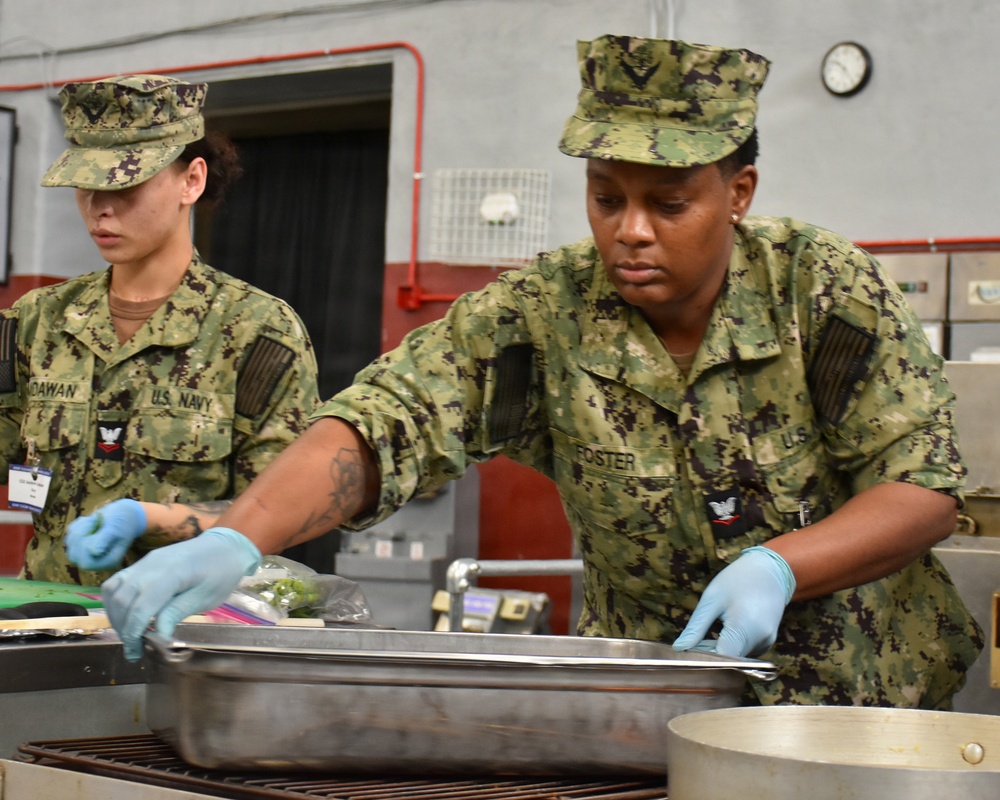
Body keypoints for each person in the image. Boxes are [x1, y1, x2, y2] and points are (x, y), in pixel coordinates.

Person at [99, 37, 982, 709]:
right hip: (657, 703)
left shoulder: (820, 290)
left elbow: (922, 488)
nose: (631, 229)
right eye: (607, 197)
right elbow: (385, 417)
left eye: (668, 204)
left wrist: (779, 568)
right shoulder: (542, 313)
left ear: (738, 193)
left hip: (858, 703)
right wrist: (240, 536)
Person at [0, 74, 319, 586]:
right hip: (53, 622)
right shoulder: (38, 320)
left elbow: (284, 511)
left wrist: (150, 520)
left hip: (184, 629)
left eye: (124, 183)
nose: (100, 207)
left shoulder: (256, 332)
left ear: (191, 181)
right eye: (88, 184)